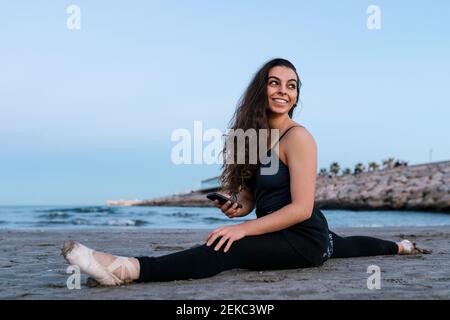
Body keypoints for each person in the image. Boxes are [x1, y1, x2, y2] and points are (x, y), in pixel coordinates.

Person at [62, 58, 420, 286]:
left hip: (303, 236)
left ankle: (128, 268)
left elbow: (301, 208)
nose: (283, 90)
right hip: (296, 234)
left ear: (296, 96)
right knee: (345, 245)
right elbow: (251, 198)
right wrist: (237, 207)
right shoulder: (253, 138)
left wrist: (243, 229)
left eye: (291, 85)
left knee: (228, 247)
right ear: (261, 88)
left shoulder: (299, 138)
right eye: (275, 82)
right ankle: (401, 247)